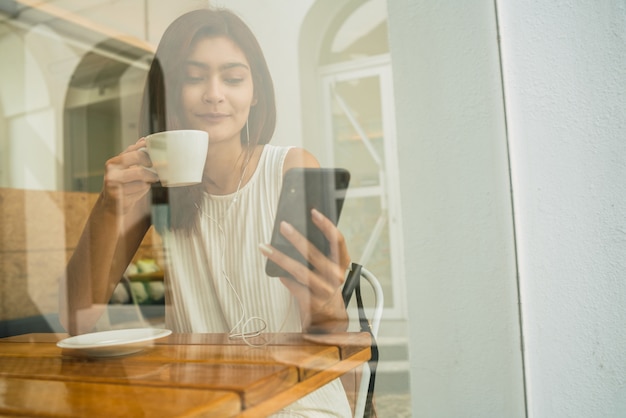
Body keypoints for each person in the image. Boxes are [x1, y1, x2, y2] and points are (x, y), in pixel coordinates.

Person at [60, 7, 353, 417]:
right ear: (170, 91)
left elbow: (326, 336)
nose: (214, 93)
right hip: (200, 403)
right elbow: (77, 319)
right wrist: (108, 208)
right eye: (194, 77)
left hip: (295, 400)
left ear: (255, 94)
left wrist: (328, 306)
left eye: (233, 78)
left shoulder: (289, 169)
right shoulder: (152, 186)